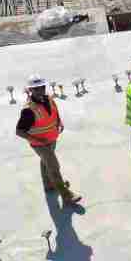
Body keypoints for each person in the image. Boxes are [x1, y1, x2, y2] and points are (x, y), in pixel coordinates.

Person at [15, 75, 81, 205]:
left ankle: (49, 185)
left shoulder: (49, 99)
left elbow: (54, 112)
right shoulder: (28, 110)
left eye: (42, 87)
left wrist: (59, 122)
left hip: (52, 139)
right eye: (36, 88)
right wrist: (37, 141)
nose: (40, 90)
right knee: (54, 167)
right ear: (30, 90)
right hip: (40, 144)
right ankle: (66, 195)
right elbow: (19, 131)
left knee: (46, 163)